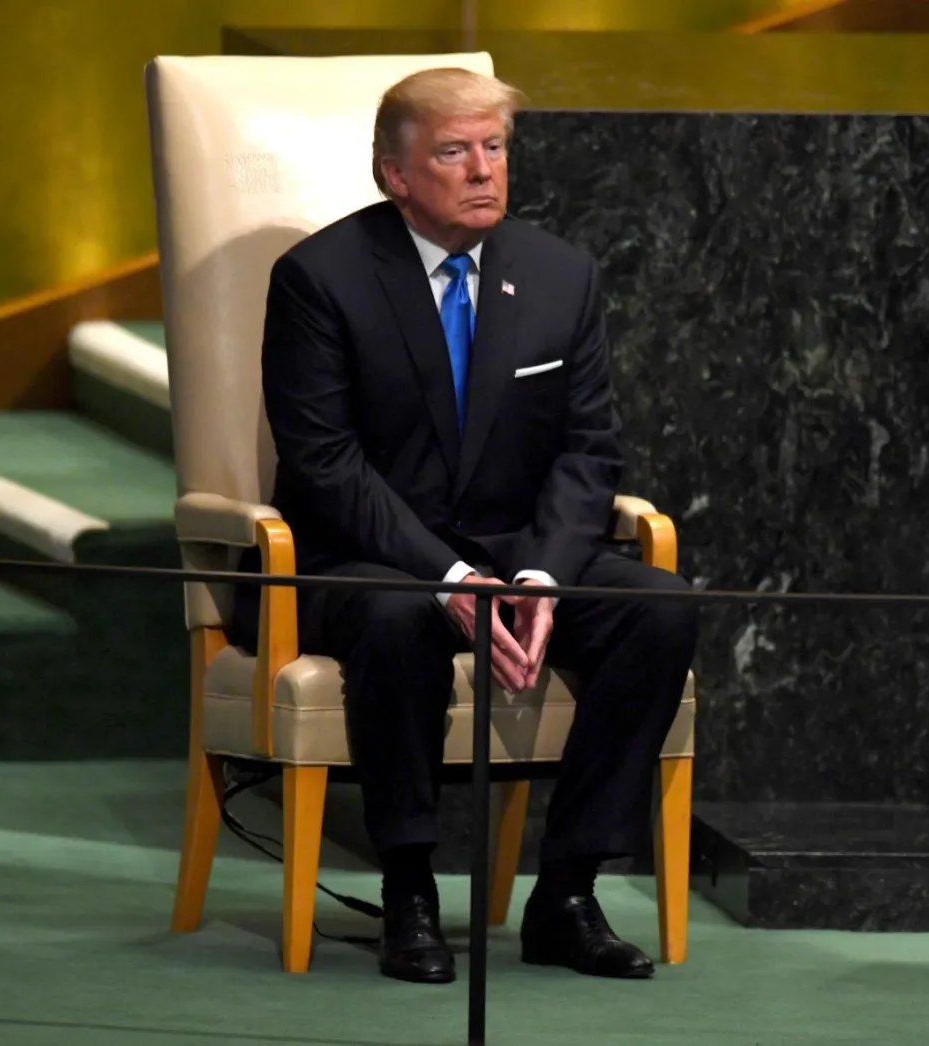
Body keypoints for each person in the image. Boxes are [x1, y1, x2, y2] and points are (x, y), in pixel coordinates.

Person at [230, 66, 699, 984]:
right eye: (454, 152)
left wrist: (538, 582)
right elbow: (325, 466)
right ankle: (408, 887)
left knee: (662, 605)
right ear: (394, 175)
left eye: (495, 148)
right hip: (364, 559)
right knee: (402, 615)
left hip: (519, 553)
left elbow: (590, 451)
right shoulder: (320, 280)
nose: (484, 170)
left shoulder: (562, 275)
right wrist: (451, 581)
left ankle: (565, 893)